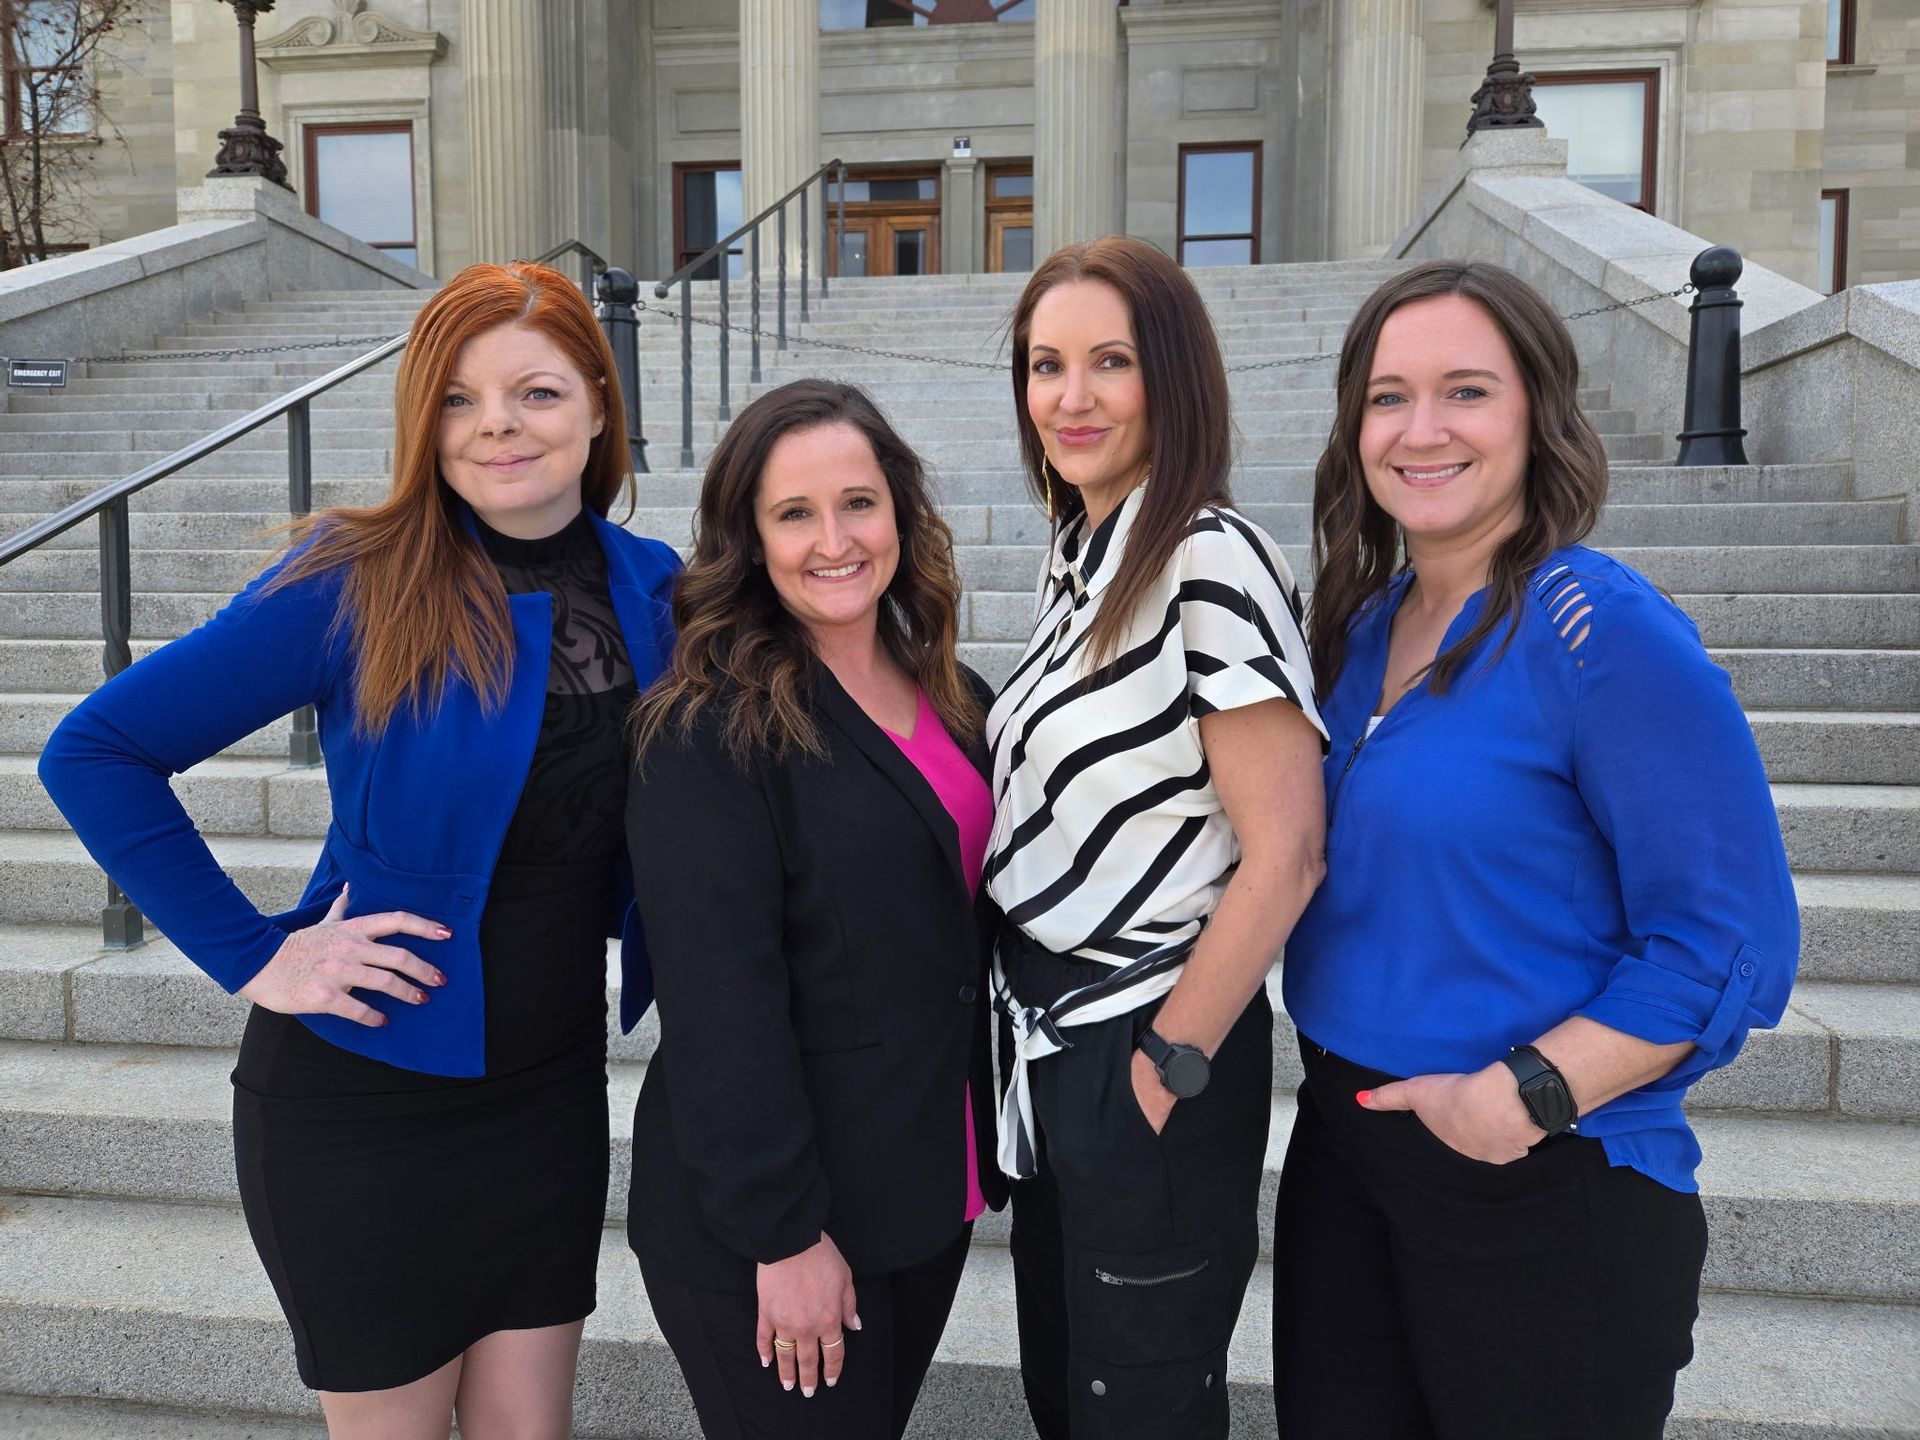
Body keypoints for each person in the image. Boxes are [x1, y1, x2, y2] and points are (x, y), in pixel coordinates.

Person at [37, 261, 679, 1439]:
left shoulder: (661, 591)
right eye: (457, 398)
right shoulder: (357, 578)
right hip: (362, 1103)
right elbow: (95, 751)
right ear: (422, 421)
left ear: (598, 399)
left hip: (547, 1099)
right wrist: (259, 958)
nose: (496, 427)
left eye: (536, 393)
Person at [1273, 259, 1800, 1438]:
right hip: (1346, 1154)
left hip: (1543, 1173)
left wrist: (1528, 1093)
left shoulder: (1601, 628)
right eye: (1387, 396)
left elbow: (1730, 939)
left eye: (1466, 391)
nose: (1421, 430)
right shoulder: (1358, 627)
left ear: (1536, 414)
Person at [986, 235, 1328, 1439]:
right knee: (1065, 1391)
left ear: (1170, 379)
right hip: (1052, 1049)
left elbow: (1287, 851)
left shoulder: (1208, 556)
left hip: (1153, 1042)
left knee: (1141, 1406)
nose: (1069, 398)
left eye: (1109, 363)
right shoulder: (1081, 552)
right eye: (1044, 365)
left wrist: (1160, 1071)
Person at [625, 378, 1007, 1440]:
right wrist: (783, 1237)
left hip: (919, 1186)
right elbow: (717, 1006)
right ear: (748, 540)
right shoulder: (706, 730)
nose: (833, 540)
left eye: (859, 503)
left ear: (899, 514)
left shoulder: (952, 692)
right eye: (794, 514)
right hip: (774, 1223)